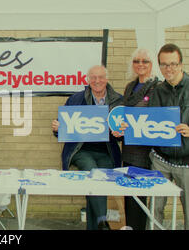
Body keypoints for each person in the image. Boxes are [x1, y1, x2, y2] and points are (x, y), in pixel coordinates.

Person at [51, 65, 122, 230]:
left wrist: (120, 131)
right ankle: (103, 222)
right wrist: (57, 127)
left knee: (98, 181)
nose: (97, 81)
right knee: (93, 171)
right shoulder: (76, 99)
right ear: (88, 80)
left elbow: (124, 135)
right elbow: (62, 130)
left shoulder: (118, 100)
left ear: (107, 79)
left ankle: (94, 226)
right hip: (80, 150)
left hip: (106, 151)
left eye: (101, 77)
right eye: (93, 77)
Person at [148, 43, 189, 230]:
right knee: (154, 209)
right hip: (161, 159)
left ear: (181, 64)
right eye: (164, 64)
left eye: (173, 64)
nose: (168, 69)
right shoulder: (157, 91)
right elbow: (148, 123)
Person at [111, 48, 161, 230]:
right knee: (130, 195)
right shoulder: (130, 87)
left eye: (145, 61)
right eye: (137, 61)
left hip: (146, 150)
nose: (140, 64)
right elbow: (126, 116)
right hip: (129, 149)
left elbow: (156, 120)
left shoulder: (158, 87)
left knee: (141, 197)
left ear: (152, 64)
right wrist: (119, 129)